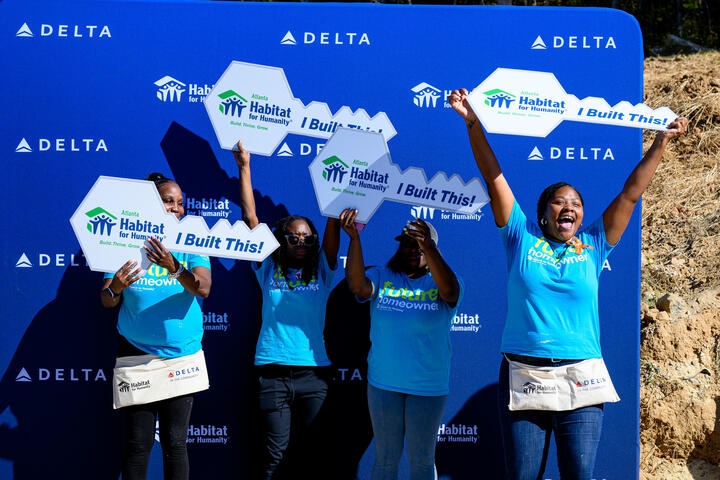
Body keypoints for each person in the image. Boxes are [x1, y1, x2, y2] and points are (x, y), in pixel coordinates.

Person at [447, 87, 687, 480]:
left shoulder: (594, 244)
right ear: (543, 214)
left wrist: (660, 142)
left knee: (580, 475)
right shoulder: (520, 236)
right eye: (560, 201)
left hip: (583, 373)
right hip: (525, 373)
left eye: (575, 203)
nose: (570, 207)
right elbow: (493, 176)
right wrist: (473, 121)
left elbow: (630, 195)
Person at [233, 141, 341, 479]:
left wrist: (341, 185)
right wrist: (244, 166)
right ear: (282, 240)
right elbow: (251, 219)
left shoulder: (323, 269)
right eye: (294, 238)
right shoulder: (268, 269)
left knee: (313, 457)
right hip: (273, 373)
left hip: (314, 375)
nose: (302, 243)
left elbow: (333, 223)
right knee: (274, 457)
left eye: (308, 238)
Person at [101, 172, 212, 480]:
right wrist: (117, 287)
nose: (176, 208)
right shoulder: (122, 243)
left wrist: (174, 266)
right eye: (168, 201)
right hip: (137, 354)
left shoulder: (192, 243)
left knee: (176, 444)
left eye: (180, 203)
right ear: (151, 203)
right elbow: (107, 300)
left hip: (182, 355)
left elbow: (203, 288)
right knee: (139, 443)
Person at [339, 208, 463, 480]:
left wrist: (428, 247)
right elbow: (358, 287)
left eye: (418, 243)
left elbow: (451, 293)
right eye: (406, 243)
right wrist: (354, 239)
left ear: (430, 247)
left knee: (421, 461)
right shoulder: (384, 276)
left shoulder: (444, 281)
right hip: (384, 384)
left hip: (427, 387)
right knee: (385, 461)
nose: (411, 249)